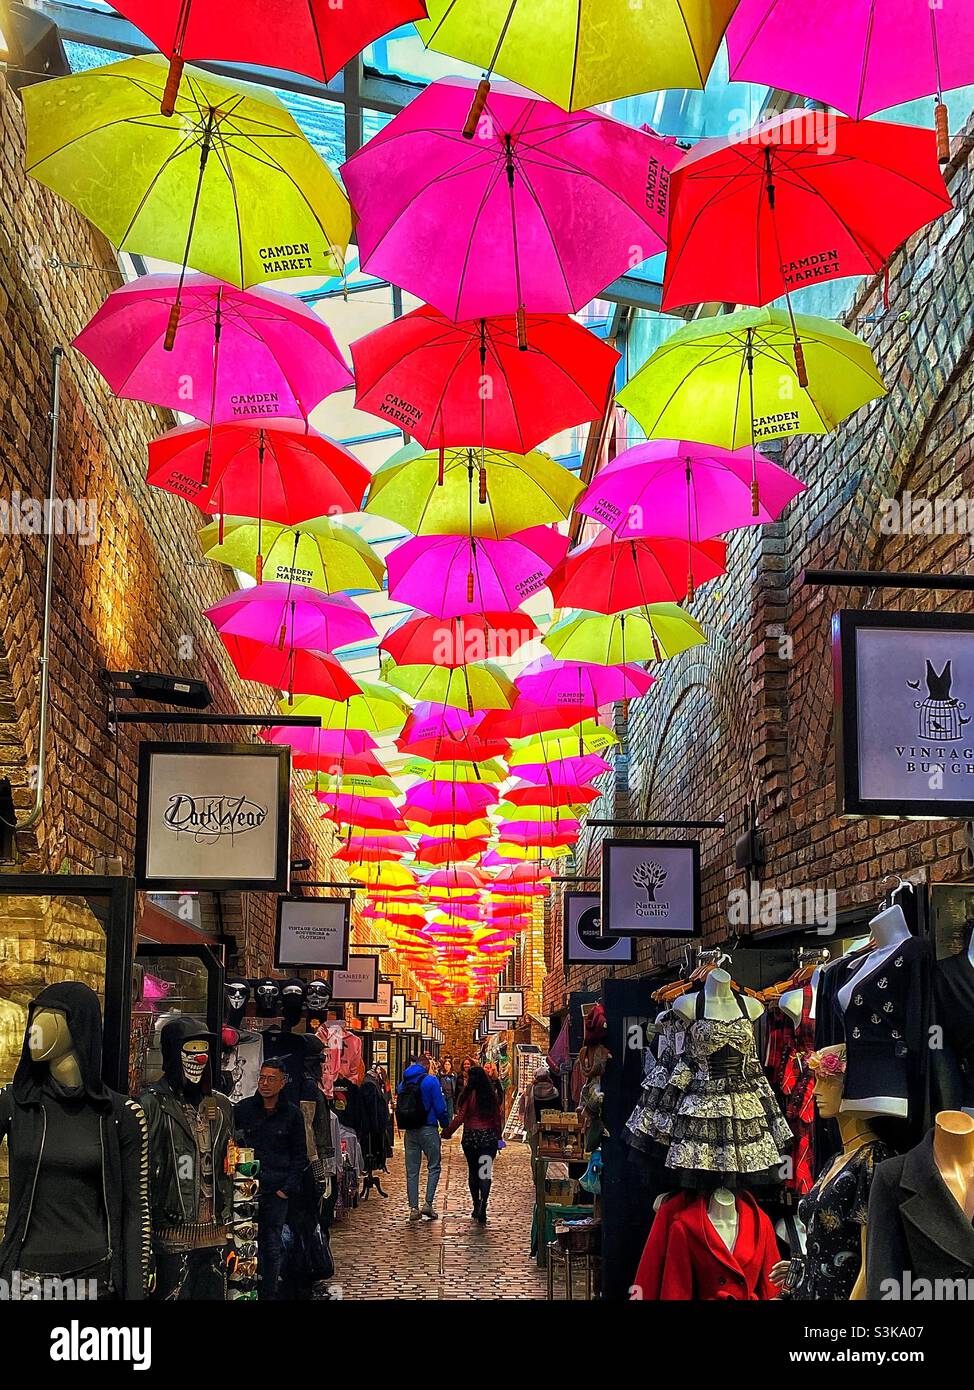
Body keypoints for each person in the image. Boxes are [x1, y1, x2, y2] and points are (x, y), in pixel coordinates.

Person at [233, 1059, 307, 1299]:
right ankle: (244, 1290)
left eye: (271, 1078)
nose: (265, 1083)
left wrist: (285, 1189)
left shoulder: (292, 1114)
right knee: (241, 1242)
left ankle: (269, 1292)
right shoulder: (243, 1109)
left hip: (275, 1189)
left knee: (271, 1244)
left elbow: (299, 1155)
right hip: (245, 1188)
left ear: (282, 1082)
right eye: (262, 1078)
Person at [442, 1065, 503, 1223]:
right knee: (485, 1172)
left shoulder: (468, 1096)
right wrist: (499, 1137)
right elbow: (497, 1118)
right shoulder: (490, 1096)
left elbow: (460, 1117)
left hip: (471, 1138)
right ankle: (484, 1202)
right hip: (488, 1138)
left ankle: (476, 1204)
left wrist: (447, 1131)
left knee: (473, 1172)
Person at [396, 1055, 446, 1222]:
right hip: (428, 1128)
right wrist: (445, 1125)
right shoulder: (431, 1081)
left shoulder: (403, 1083)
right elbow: (440, 1107)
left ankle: (413, 1208)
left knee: (412, 1170)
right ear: (426, 1066)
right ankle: (428, 1203)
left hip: (410, 1130)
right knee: (434, 1166)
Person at [438, 1059, 457, 1125]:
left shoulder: (453, 1074)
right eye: (445, 1064)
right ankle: (444, 1125)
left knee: (450, 1111)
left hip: (451, 1095)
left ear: (451, 1066)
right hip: (443, 1094)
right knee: (444, 1110)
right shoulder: (440, 1074)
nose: (447, 1066)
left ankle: (450, 1126)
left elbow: (455, 1084)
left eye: (448, 1064)